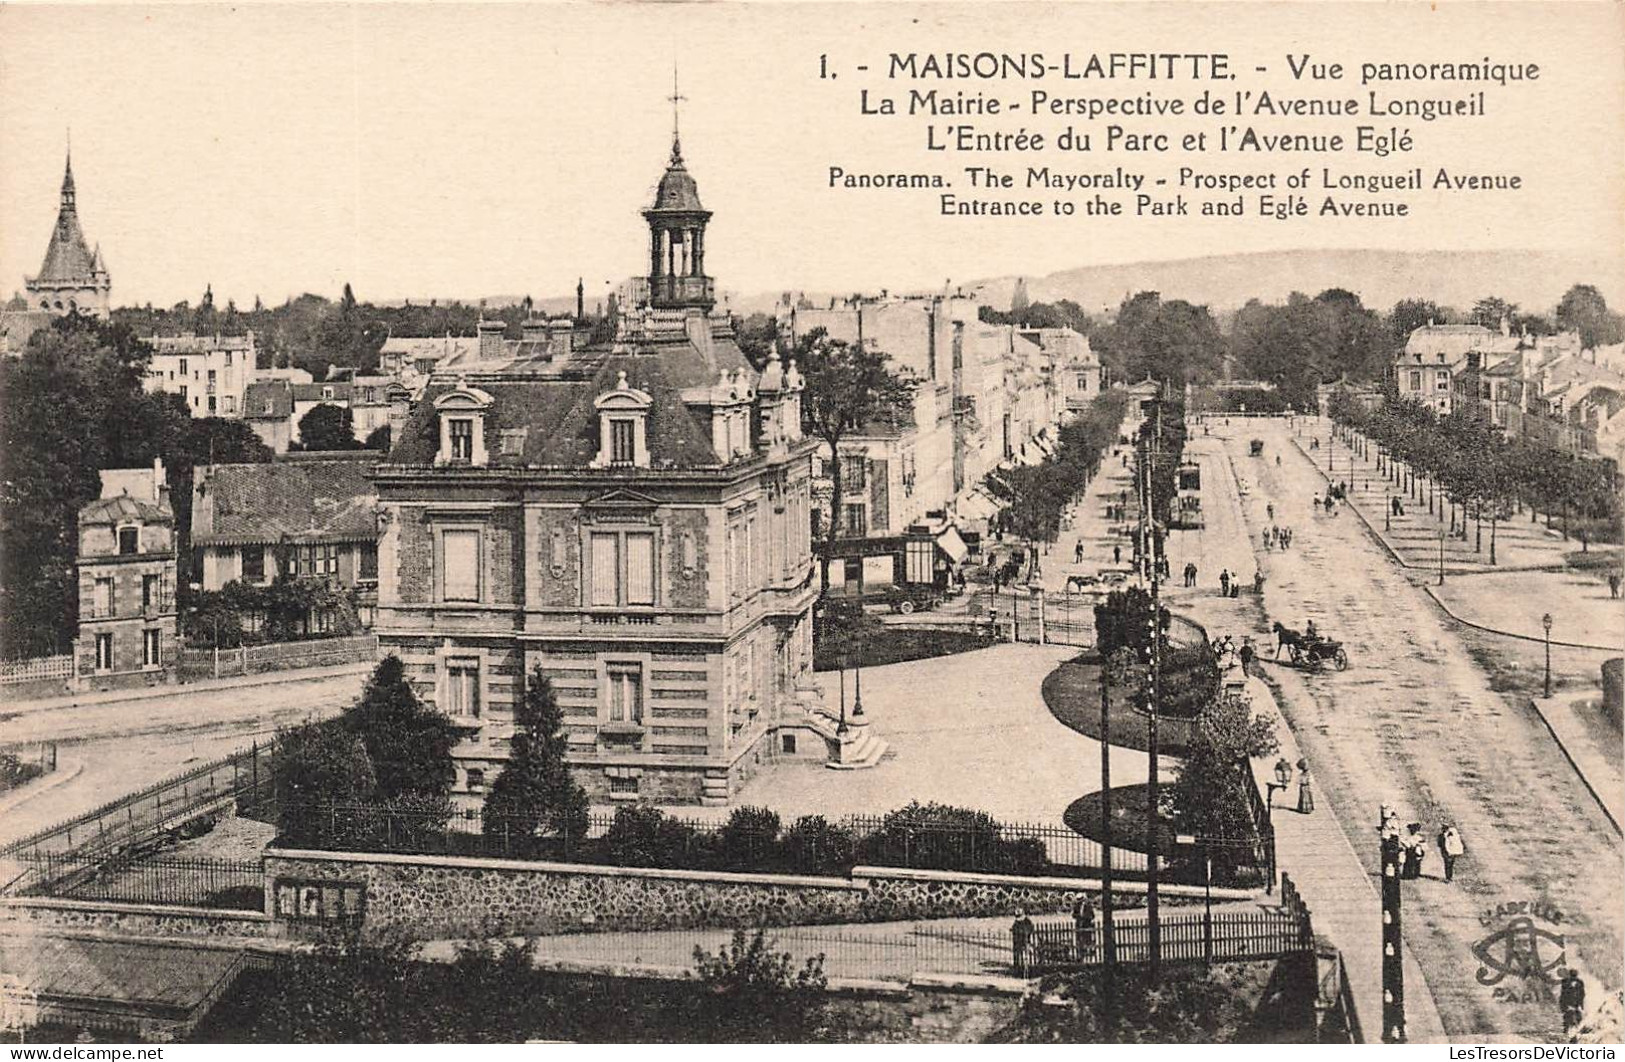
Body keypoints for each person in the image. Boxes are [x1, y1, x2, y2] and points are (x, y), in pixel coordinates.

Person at [1560, 969, 1587, 1035]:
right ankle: (1570, 1029)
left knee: (1572, 1015)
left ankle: (1574, 1029)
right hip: (1572, 1001)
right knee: (1570, 1015)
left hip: (1572, 1001)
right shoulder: (1578, 982)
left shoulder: (1566, 981)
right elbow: (1582, 993)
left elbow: (1582, 993)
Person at [1010, 908, 1036, 975]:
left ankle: (1025, 968)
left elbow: (1031, 928)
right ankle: (1018, 967)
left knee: (1026, 956)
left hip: (1025, 940)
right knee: (1018, 955)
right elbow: (1014, 928)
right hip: (1018, 940)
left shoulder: (1027, 921)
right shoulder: (1017, 922)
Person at [1072, 895, 1097, 960]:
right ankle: (1081, 951)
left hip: (1086, 924)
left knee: (1087, 938)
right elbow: (1073, 915)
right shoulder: (1076, 906)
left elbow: (1092, 915)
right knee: (1079, 939)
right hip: (1079, 925)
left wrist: (1085, 917)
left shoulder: (1088, 906)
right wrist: (1079, 916)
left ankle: (1088, 950)